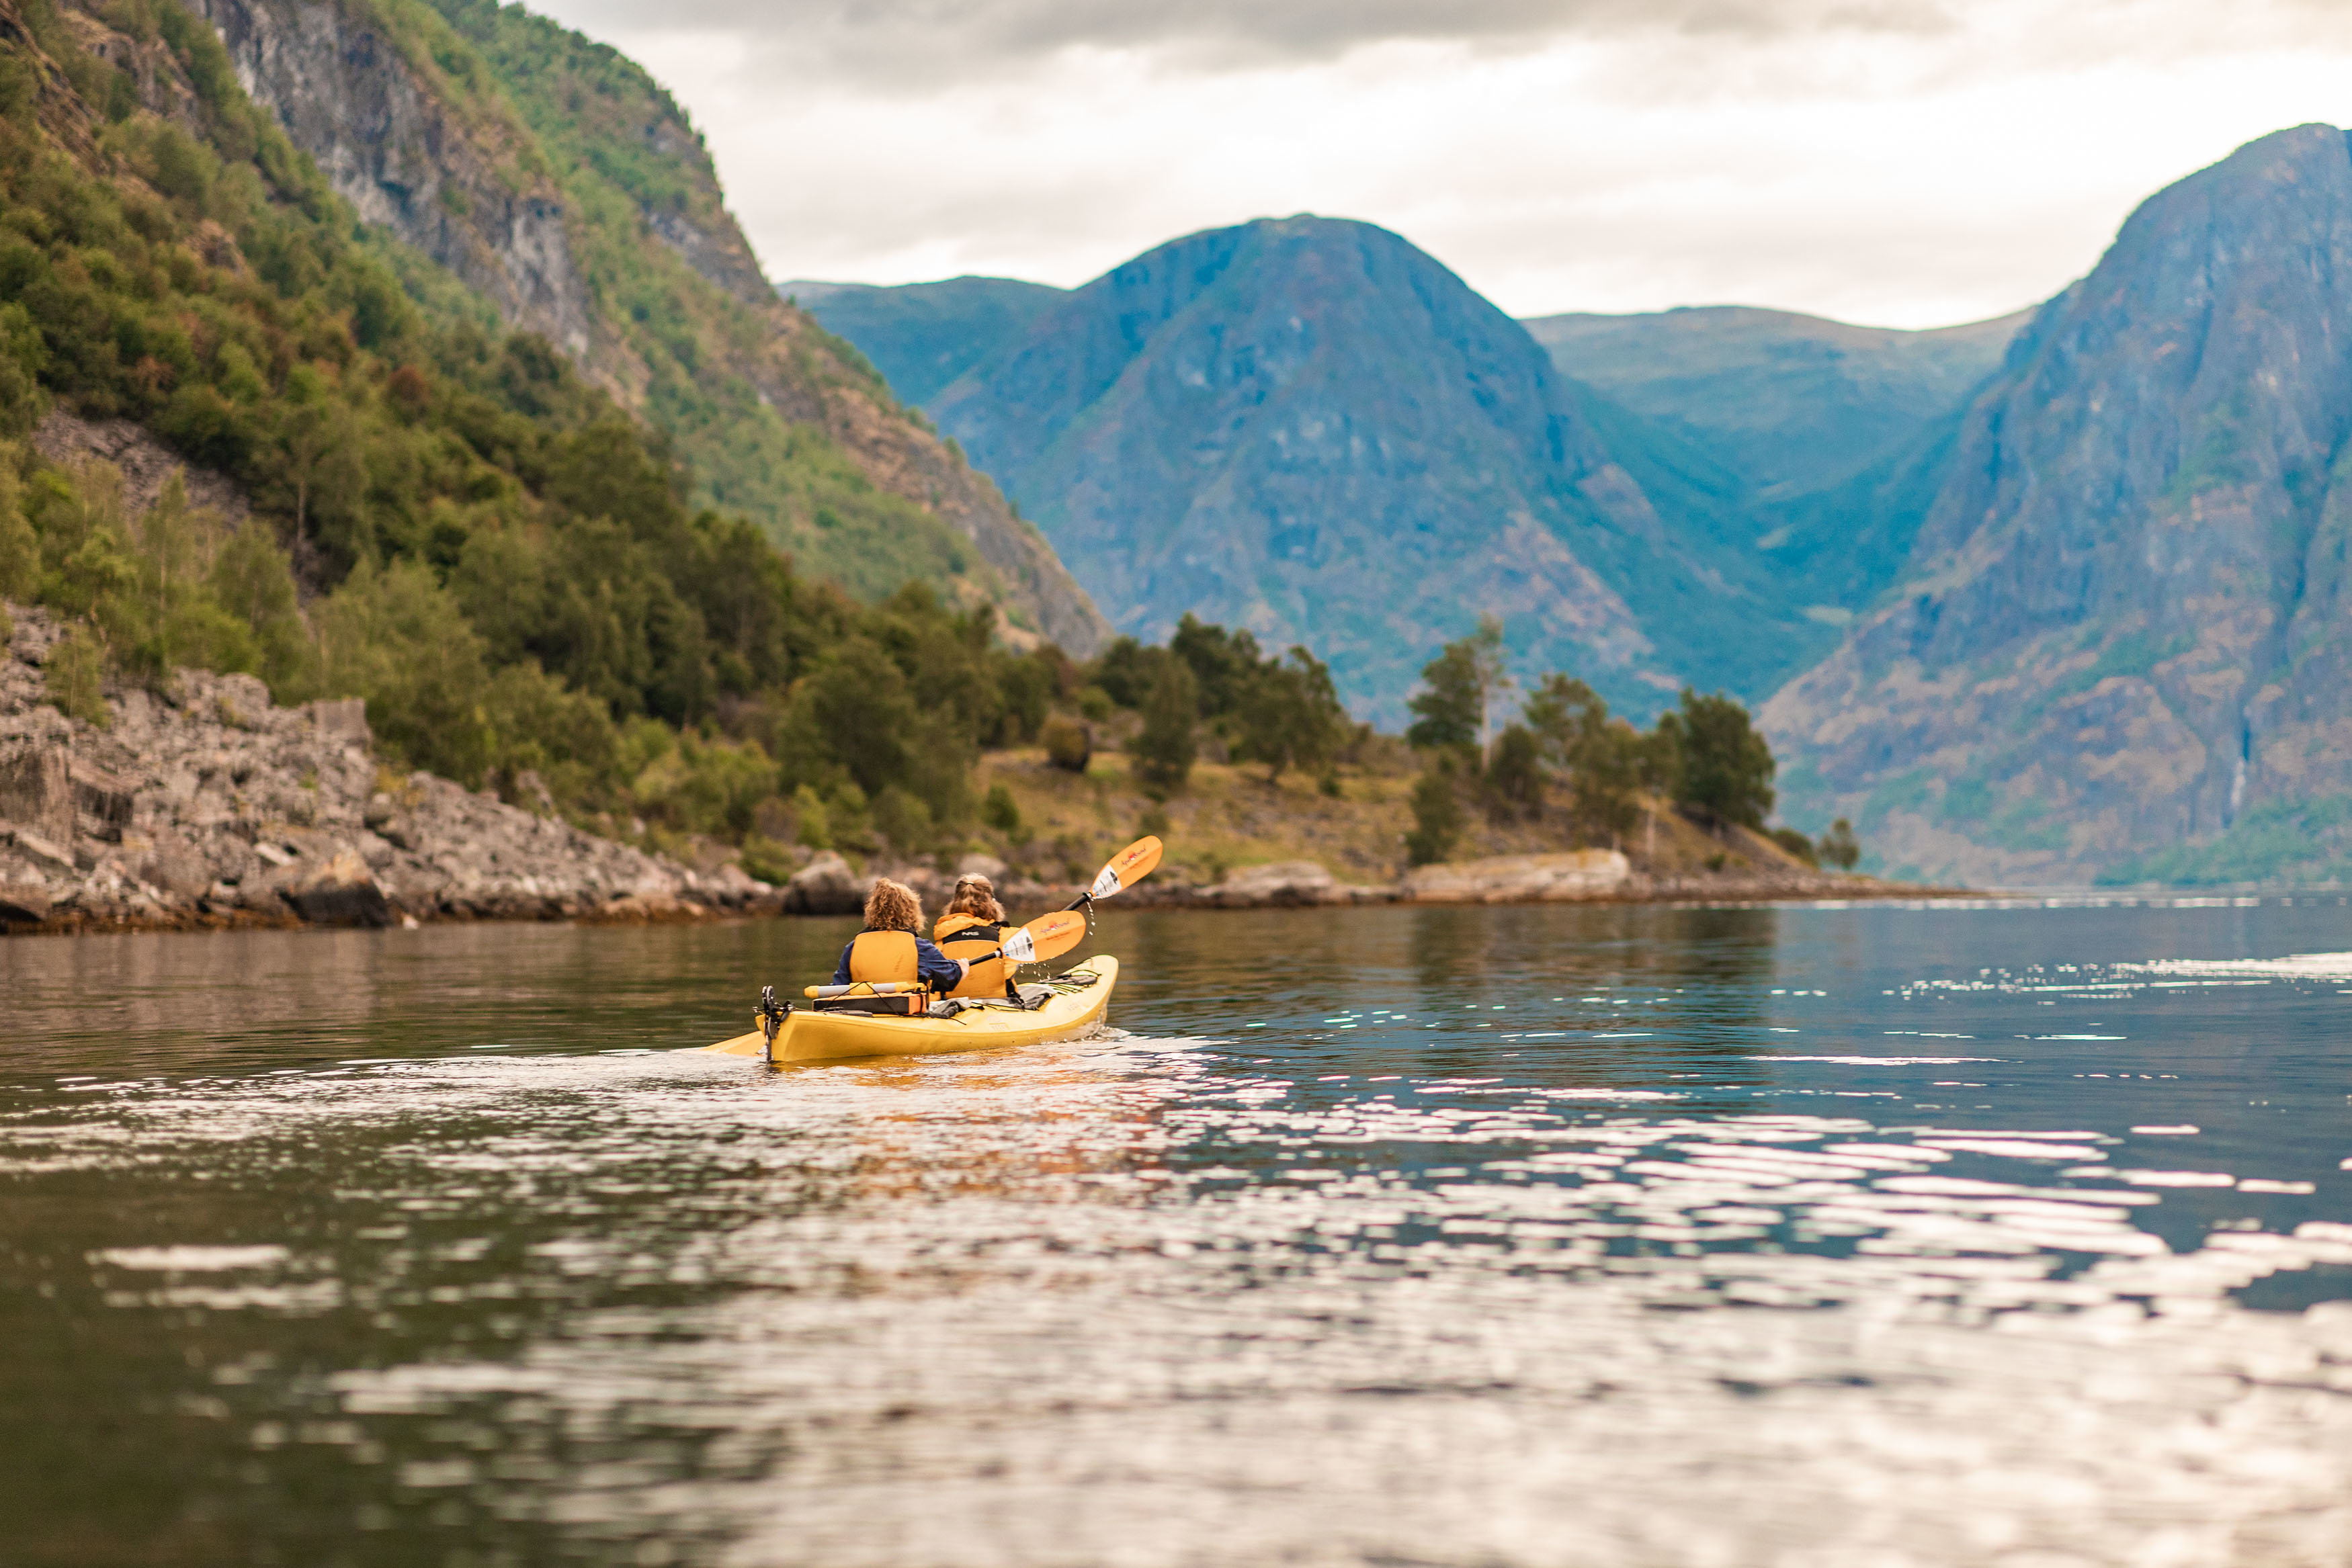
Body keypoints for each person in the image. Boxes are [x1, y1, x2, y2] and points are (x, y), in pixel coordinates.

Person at [831, 879, 968, 992]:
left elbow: (838, 987)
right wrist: (961, 969)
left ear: (872, 911)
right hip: (905, 1012)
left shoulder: (853, 947)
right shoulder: (920, 947)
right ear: (911, 912)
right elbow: (949, 977)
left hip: (864, 1012)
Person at [933, 873, 1017, 999]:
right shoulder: (1004, 934)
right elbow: (1010, 971)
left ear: (955, 903)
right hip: (998, 1002)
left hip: (952, 1003)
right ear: (991, 902)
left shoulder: (944, 935)